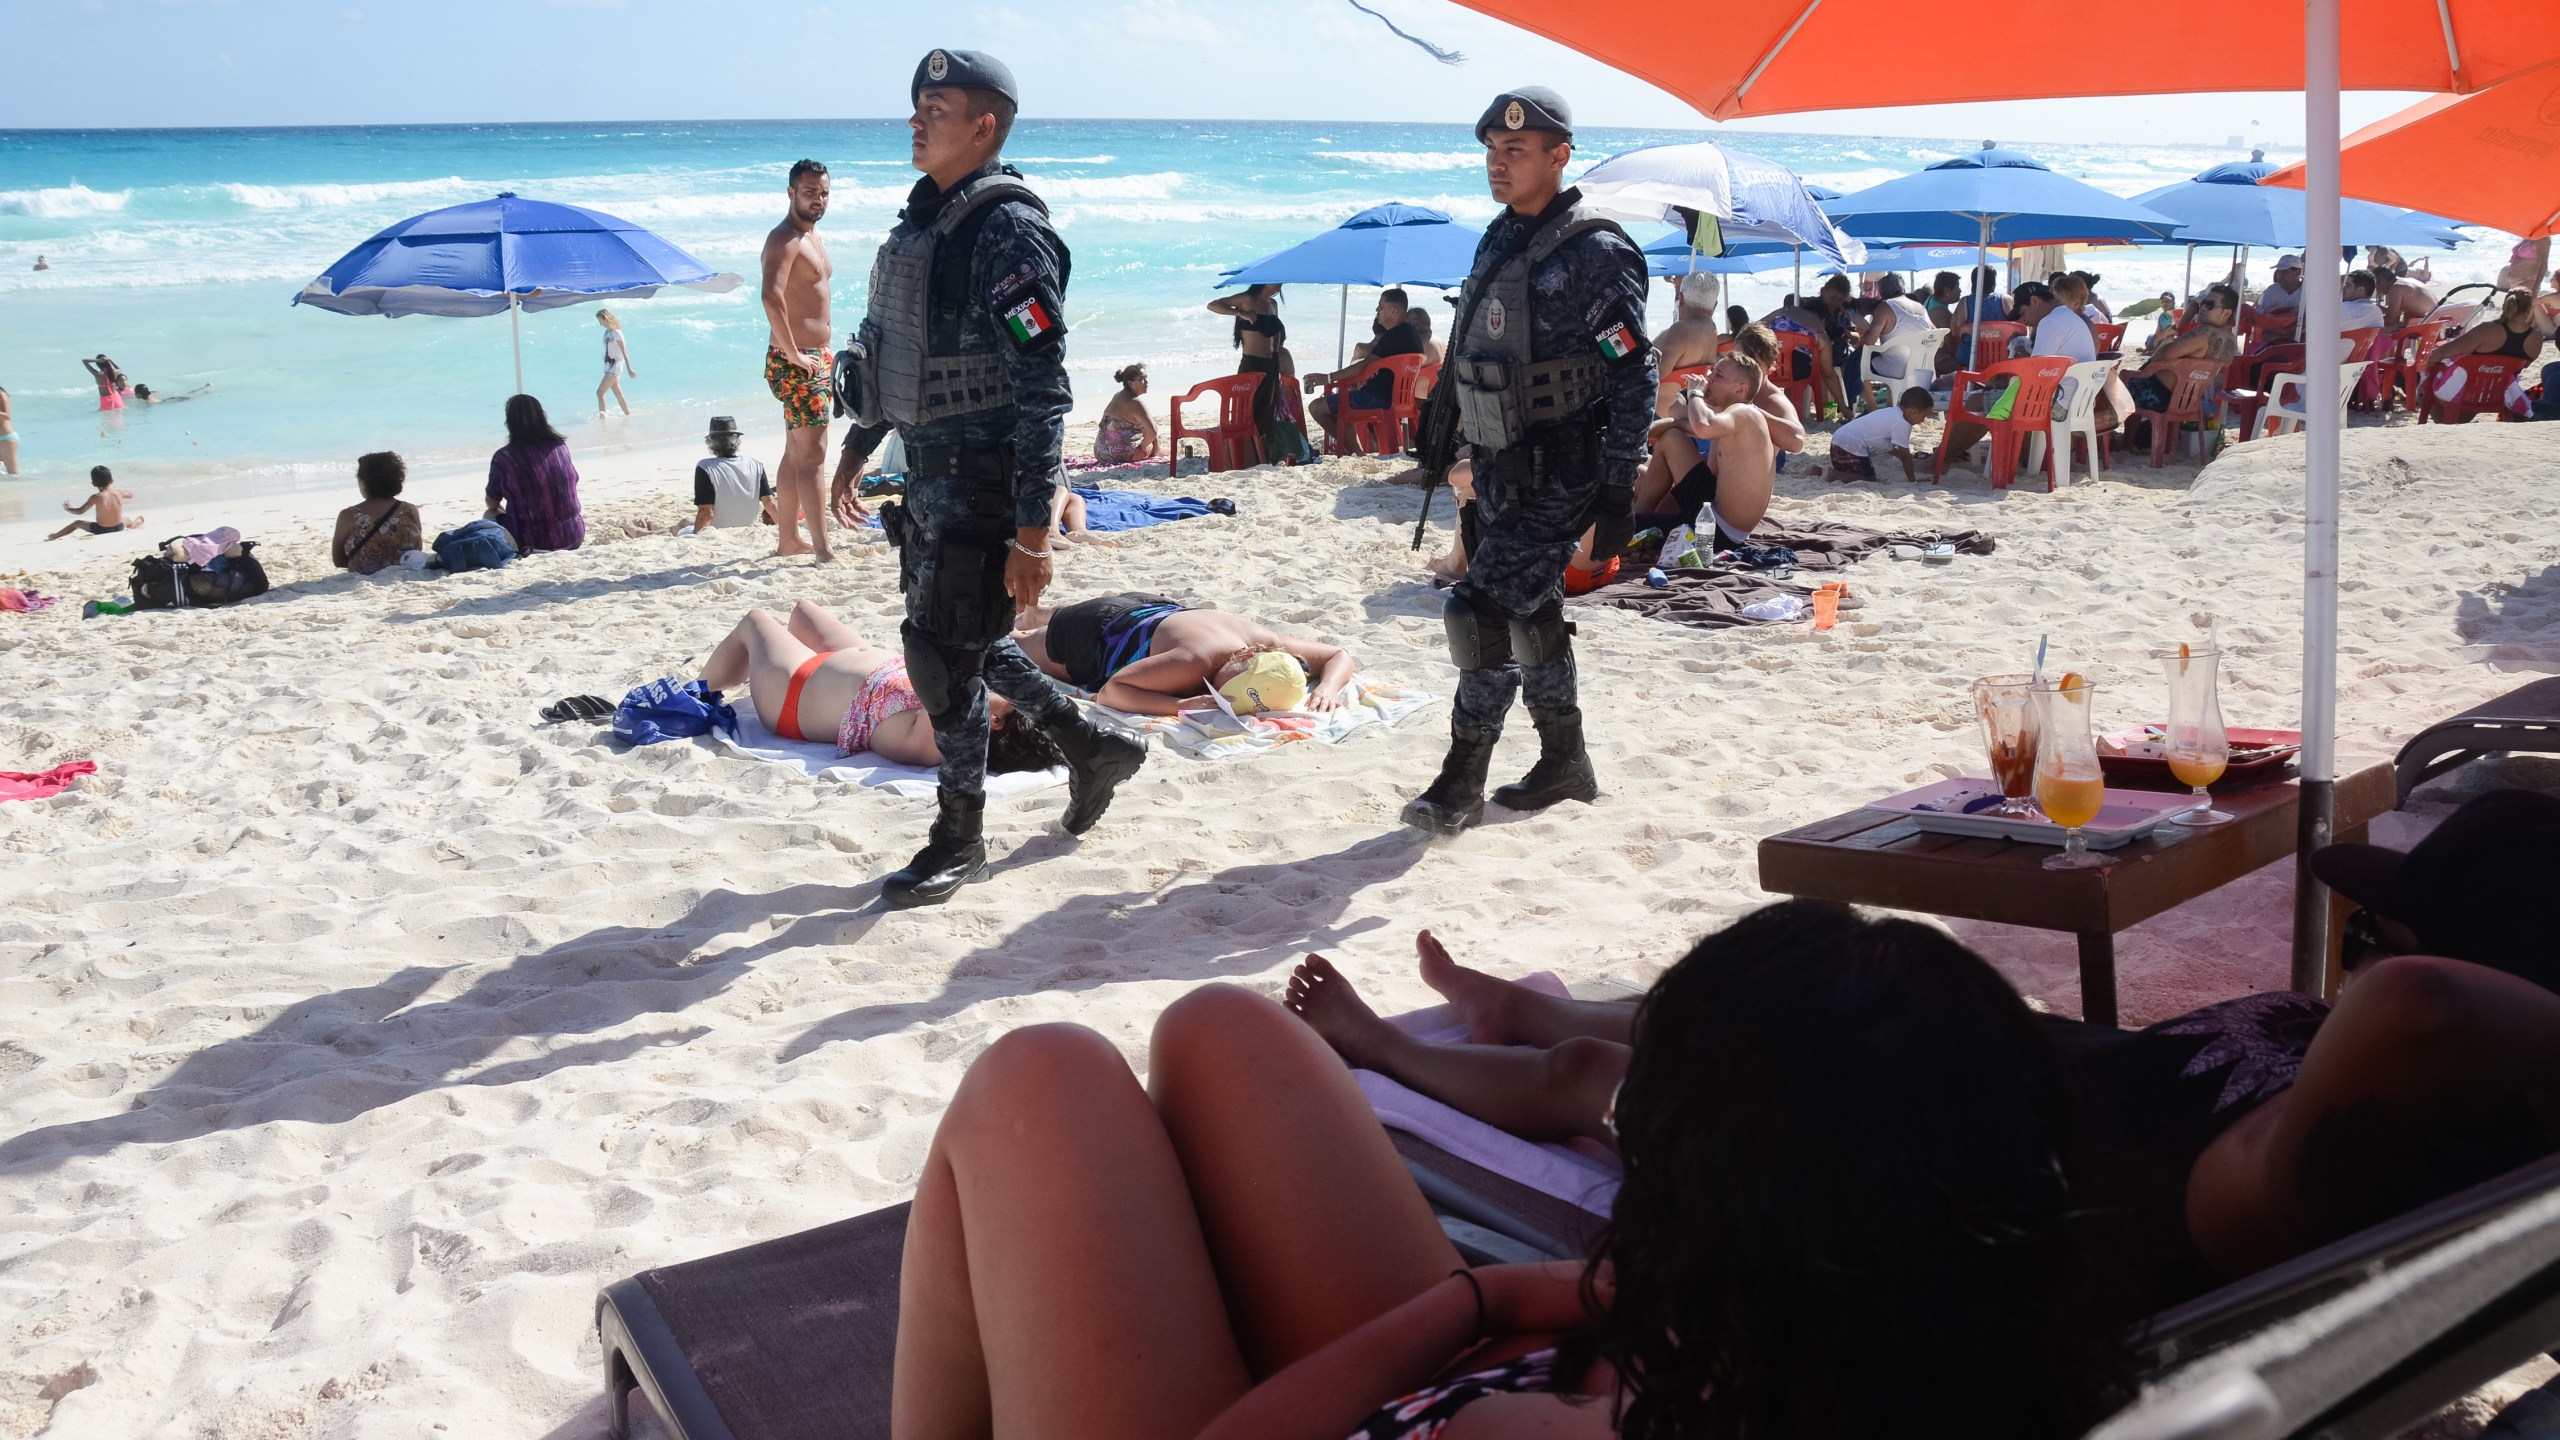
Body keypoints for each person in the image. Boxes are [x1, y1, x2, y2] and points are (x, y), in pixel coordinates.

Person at [892, 901, 2137, 1439]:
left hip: (1475, 1382)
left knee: (1038, 1079)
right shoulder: (1970, 1364)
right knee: (1222, 1028)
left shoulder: (1528, 1429)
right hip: (1648, 1363)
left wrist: (1479, 1302)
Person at [824, 48, 1148, 908]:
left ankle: (958, 836)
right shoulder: (922, 226)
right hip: (924, 479)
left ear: (985, 125)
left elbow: (1046, 391)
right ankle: (1090, 743)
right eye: (916, 105)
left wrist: (1033, 528)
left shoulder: (1009, 232)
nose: (917, 118)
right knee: (966, 640)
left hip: (981, 482)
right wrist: (858, 449)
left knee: (939, 654)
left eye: (937, 105)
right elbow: (898, 355)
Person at [1403, 86, 1654, 837]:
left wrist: (1616, 488)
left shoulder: (1597, 252)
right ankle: (1565, 761)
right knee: (1532, 610)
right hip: (1501, 461)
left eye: (1516, 150)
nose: (1498, 163)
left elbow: (1634, 371)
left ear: (1559, 157)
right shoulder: (1499, 238)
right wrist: (1445, 438)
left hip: (1565, 467)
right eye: (1491, 150)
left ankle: (1461, 778)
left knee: (1479, 610)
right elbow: (1476, 350)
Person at [698, 600, 1066, 771]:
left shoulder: (939, 738)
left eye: (1014, 698)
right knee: (802, 611)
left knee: (755, 620)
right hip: (844, 666)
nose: (1010, 687)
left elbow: (948, 663)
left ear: (997, 721)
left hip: (794, 693)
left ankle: (695, 691)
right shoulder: (970, 708)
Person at [1013, 593, 1355, 715]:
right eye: (1229, 686)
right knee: (1013, 645)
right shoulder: (1196, 661)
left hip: (1148, 607)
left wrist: (1327, 688)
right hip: (1095, 634)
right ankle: (1029, 623)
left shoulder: (1268, 643)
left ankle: (1040, 612)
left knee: (1061, 619)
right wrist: (1175, 706)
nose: (1222, 692)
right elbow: (1112, 692)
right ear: (1242, 659)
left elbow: (1338, 654)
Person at [760, 158, 837, 562]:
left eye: (823, 192)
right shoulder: (785, 238)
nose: (818, 199)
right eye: (810, 192)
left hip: (812, 357)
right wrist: (793, 353)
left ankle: (788, 539)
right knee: (813, 456)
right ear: (791, 193)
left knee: (796, 452)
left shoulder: (812, 236)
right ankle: (823, 548)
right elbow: (770, 296)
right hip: (797, 361)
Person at [1625, 353, 1776, 545]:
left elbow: (1702, 427)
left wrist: (1694, 393)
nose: (1708, 378)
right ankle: (1639, 519)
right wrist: (1626, 439)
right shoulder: (1726, 418)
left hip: (1719, 531)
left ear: (1741, 389)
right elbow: (1675, 428)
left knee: (1621, 523)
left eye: (1719, 375)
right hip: (1710, 508)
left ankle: (1634, 525)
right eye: (1712, 371)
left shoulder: (1745, 413)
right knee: (1671, 438)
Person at [1938, 281, 2090, 464]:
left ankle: (1939, 461)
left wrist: (2019, 358)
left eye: (2024, 313)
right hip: (2075, 401)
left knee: (1976, 402)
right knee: (2000, 397)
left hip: (2057, 404)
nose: (2025, 321)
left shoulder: (2050, 322)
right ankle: (2025, 458)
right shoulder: (2070, 317)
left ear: (2035, 301)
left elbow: (2036, 375)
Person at [1306, 288, 1425, 447]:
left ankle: (1354, 450)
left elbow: (1365, 365)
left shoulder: (1394, 335)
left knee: (1316, 407)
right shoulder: (1410, 333)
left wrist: (1328, 378)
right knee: (1343, 400)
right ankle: (1354, 450)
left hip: (1378, 398)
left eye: (1381, 307)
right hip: (1397, 397)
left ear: (1394, 311)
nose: (1377, 310)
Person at [2121, 284, 2240, 427]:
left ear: (2226, 313)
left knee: (2123, 384)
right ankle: (2132, 441)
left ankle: (2125, 443)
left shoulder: (2203, 333)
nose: (2201, 307)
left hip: (2162, 396)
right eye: (2202, 303)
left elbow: (2160, 357)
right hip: (2190, 399)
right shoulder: (2231, 341)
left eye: (2209, 305)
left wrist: (2163, 340)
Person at [484, 394, 584, 552]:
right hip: (573, 536)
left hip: (530, 541)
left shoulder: (504, 458)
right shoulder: (560, 447)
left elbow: (492, 502)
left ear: (509, 422)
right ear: (542, 417)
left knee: (489, 515)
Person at [1206, 283, 1286, 458]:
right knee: (1246, 411)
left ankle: (1263, 454)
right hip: (1251, 364)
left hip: (1271, 364)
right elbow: (1213, 305)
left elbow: (1276, 335)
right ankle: (1244, 454)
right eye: (1277, 281)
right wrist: (1241, 313)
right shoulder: (1246, 299)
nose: (1280, 285)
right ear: (1265, 281)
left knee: (1267, 412)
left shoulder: (1273, 305)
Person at [330, 451, 422, 575]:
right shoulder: (410, 510)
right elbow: (417, 548)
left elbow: (339, 560)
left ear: (364, 483)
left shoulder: (349, 516)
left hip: (363, 575)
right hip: (405, 571)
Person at [1650, 271, 1723, 415]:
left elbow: (1652, 375)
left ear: (1681, 299)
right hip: (1688, 413)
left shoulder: (1681, 329)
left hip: (1660, 416)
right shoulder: (1711, 330)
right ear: (1714, 306)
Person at [1828, 386, 1934, 482]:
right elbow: (1905, 456)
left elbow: (1884, 445)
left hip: (1839, 438)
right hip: (1853, 444)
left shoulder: (1891, 412)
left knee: (1848, 472)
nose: (1922, 421)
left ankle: (1818, 470)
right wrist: (1913, 480)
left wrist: (1902, 456)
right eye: (1923, 416)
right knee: (1868, 478)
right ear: (1913, 412)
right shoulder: (1902, 423)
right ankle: (1832, 475)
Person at [690, 416, 773, 532]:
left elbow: (706, 512)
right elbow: (770, 503)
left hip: (718, 531)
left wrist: (697, 537)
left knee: (682, 525)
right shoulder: (755, 464)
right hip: (748, 529)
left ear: (710, 441)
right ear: (737, 439)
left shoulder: (705, 467)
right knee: (686, 522)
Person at [2428, 289, 2544, 369]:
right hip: (2501, 394)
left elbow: (2443, 352)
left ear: (2505, 306)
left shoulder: (2487, 330)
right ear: (2529, 310)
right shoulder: (2537, 338)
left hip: (2469, 390)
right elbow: (2524, 365)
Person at [48, 467, 142, 539]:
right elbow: (130, 495)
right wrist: (119, 494)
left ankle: (55, 536)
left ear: (93, 483)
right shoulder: (118, 493)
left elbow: (80, 511)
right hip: (118, 527)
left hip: (101, 530)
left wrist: (70, 509)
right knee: (126, 519)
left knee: (77, 523)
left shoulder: (96, 497)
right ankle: (135, 524)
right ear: (112, 480)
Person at [1095, 363, 1161, 465]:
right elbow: (1153, 431)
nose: (1146, 382)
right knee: (1155, 441)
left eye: (1146, 378)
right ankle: (1163, 452)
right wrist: (1142, 447)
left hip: (1101, 453)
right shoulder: (1135, 402)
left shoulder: (1118, 396)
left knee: (1145, 431)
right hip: (1119, 455)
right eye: (1141, 379)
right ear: (1131, 384)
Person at [596, 309, 636, 417]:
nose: (599, 324)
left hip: (615, 366)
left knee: (600, 392)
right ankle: (628, 415)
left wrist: (629, 368)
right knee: (617, 392)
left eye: (600, 321)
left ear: (606, 318)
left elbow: (624, 351)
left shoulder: (616, 333)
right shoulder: (607, 332)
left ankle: (602, 419)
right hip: (608, 365)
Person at [2257, 254, 2305, 336]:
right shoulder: (2271, 291)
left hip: (2302, 335)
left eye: (2285, 272)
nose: (2280, 276)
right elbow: (2264, 316)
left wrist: (2289, 330)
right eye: (2278, 272)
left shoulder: (2308, 292)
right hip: (2275, 334)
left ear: (2298, 272)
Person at [0, 385, 17, 476]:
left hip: (6, 439)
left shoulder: (1, 393)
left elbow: (7, 416)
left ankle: (18, 489)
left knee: (13, 474)